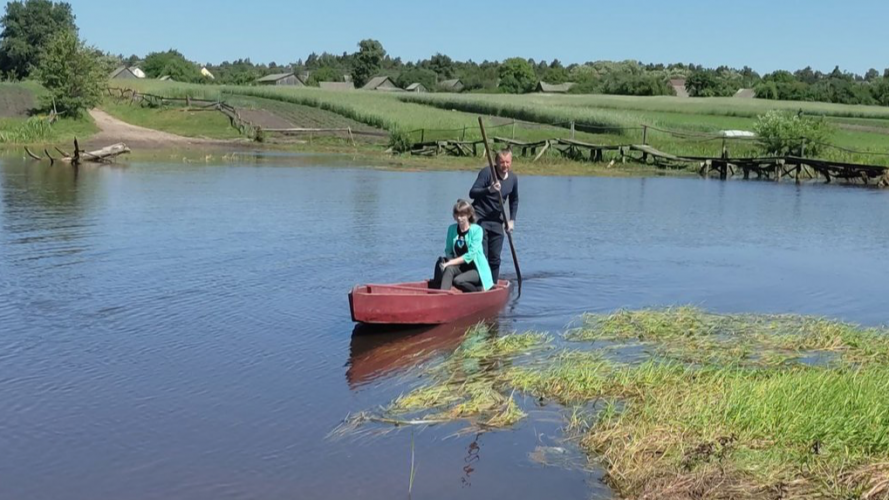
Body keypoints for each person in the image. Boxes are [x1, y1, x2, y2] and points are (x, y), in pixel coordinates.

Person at [469, 148, 518, 283]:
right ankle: (481, 284)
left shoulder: (513, 179)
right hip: (480, 219)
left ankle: (493, 284)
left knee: (495, 258)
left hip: (497, 221)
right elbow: (472, 193)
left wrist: (512, 220)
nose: (505, 165)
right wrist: (489, 189)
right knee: (482, 255)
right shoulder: (487, 173)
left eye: (507, 162)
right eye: (502, 162)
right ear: (496, 162)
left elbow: (514, 200)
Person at [431, 200, 494, 292]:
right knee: (449, 269)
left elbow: (470, 255)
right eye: (457, 215)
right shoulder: (452, 229)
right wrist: (449, 262)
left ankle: (477, 291)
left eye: (462, 215)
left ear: (468, 215)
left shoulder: (477, 230)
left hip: (476, 269)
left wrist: (449, 262)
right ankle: (442, 295)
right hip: (461, 267)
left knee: (457, 280)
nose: (459, 218)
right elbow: (449, 250)